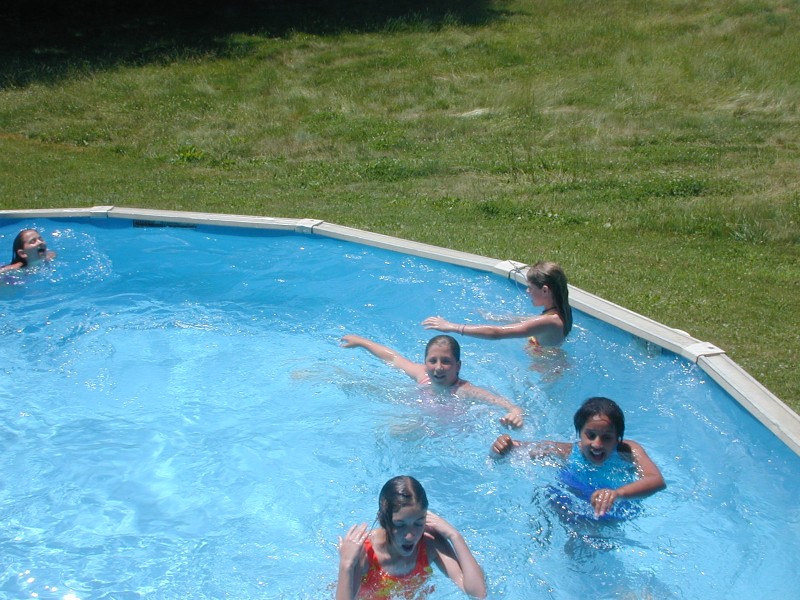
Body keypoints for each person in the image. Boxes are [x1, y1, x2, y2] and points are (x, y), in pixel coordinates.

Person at [491, 397, 665, 518]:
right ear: (580, 434)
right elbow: (519, 448)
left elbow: (656, 480)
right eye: (590, 435)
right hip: (569, 503)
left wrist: (617, 494)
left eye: (606, 438)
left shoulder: (627, 451)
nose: (597, 444)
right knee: (543, 496)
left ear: (618, 438)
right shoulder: (567, 451)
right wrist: (501, 448)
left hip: (611, 509)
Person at [336, 475, 487, 600]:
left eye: (418, 523)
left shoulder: (429, 543)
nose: (410, 535)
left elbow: (477, 593)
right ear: (383, 520)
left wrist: (455, 536)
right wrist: (346, 564)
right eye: (400, 525)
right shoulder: (365, 553)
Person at [341, 333, 524, 428]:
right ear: (425, 362)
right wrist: (362, 342)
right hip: (420, 419)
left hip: (448, 431)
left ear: (458, 366)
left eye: (446, 362)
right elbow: (393, 358)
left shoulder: (465, 390)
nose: (438, 367)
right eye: (433, 361)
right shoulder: (423, 375)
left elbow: (504, 404)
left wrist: (514, 413)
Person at [422, 261, 572, 350]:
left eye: (531, 288)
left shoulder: (550, 321)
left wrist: (452, 326)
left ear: (545, 290)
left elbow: (496, 333)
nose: (527, 291)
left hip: (546, 373)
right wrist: (497, 318)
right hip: (547, 364)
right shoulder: (560, 311)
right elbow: (531, 321)